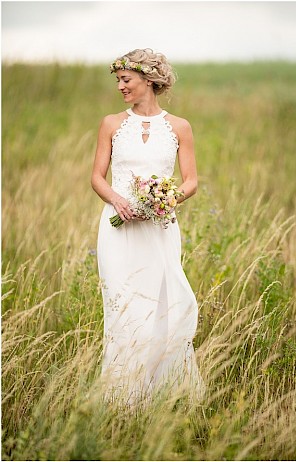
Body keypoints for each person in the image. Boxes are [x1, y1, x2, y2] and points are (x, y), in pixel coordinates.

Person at [91, 48, 203, 405]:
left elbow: (190, 182)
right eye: (119, 81)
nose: (120, 87)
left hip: (159, 228)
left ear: (149, 81)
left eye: (126, 80)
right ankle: (122, 396)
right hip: (118, 230)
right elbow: (97, 177)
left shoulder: (179, 127)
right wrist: (117, 200)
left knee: (163, 304)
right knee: (124, 304)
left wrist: (165, 200)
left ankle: (163, 393)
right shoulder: (111, 123)